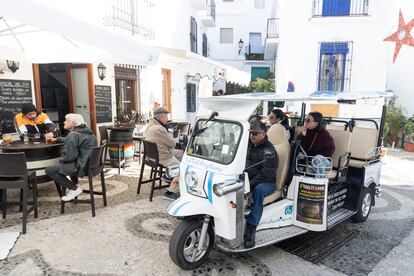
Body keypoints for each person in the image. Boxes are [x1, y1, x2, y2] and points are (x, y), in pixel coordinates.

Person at [45, 114, 97, 201]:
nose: (64, 122)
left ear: (73, 123)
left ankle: (74, 188)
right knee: (67, 164)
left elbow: (70, 156)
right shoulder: (87, 131)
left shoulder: (73, 135)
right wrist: (57, 139)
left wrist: (61, 160)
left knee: (50, 170)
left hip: (81, 166)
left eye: (66, 120)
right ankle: (75, 185)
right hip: (90, 165)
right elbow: (70, 139)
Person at [244, 121, 278, 248]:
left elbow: (266, 174)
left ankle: (251, 229)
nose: (252, 135)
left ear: (263, 134)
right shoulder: (250, 145)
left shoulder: (269, 151)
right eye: (250, 133)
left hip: (267, 182)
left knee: (258, 191)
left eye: (255, 133)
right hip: (249, 179)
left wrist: (249, 185)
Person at [145, 107, 183, 201]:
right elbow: (172, 143)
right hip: (163, 157)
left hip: (154, 156)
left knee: (183, 155)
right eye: (166, 116)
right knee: (182, 168)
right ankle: (171, 192)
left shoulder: (150, 126)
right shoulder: (159, 128)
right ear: (161, 117)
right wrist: (176, 137)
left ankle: (168, 175)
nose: (167, 118)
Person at [298, 112, 335, 177]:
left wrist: (313, 159)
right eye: (305, 119)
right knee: (297, 155)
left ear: (316, 123)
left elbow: (330, 151)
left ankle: (318, 182)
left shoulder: (325, 134)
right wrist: (303, 136)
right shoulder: (305, 131)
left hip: (324, 162)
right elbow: (299, 149)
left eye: (308, 120)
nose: (305, 121)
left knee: (318, 159)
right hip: (309, 160)